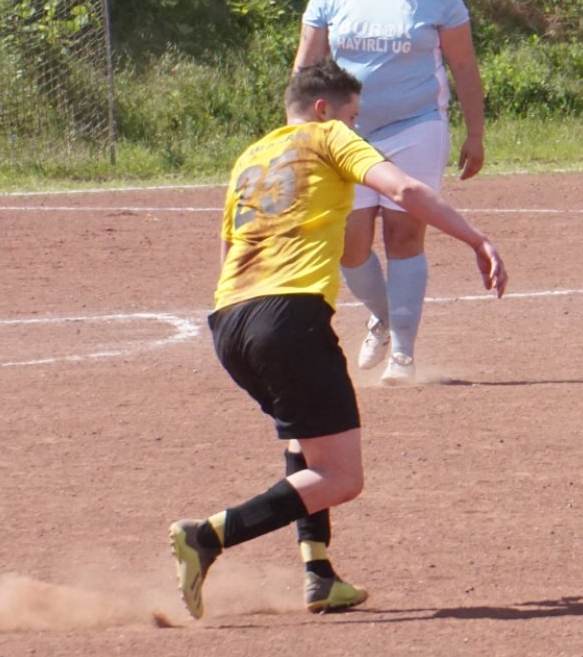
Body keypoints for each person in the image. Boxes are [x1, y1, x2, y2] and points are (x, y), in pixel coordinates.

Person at [169, 59, 508, 620]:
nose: (356, 130)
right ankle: (206, 536)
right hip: (289, 316)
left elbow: (228, 248)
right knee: (341, 477)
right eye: (352, 118)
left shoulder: (251, 157)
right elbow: (404, 188)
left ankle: (319, 574)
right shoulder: (328, 138)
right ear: (324, 110)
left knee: (304, 445)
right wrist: (477, 239)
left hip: (229, 321)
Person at [292, 0, 488, 385]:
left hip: (416, 124)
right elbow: (307, 64)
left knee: (404, 236)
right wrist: (298, 131)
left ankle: (402, 352)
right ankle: (382, 315)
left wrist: (476, 133)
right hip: (346, 132)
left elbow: (464, 64)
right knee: (349, 245)